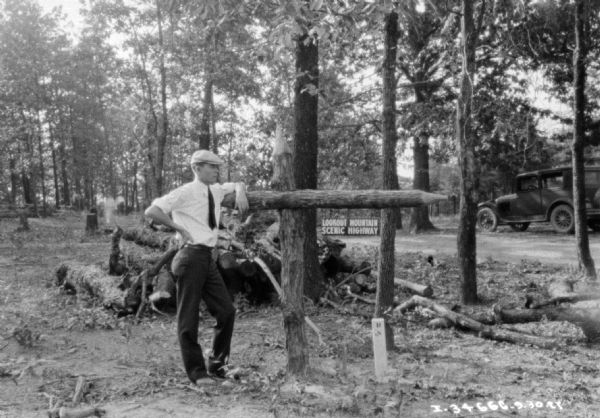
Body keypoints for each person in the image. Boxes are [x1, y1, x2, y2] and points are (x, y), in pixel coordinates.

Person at [144, 150, 249, 385]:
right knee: (188, 316)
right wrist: (177, 227)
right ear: (197, 168)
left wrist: (240, 189)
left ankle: (218, 364)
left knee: (226, 311)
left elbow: (235, 184)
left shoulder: (215, 190)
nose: (216, 171)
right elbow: (152, 210)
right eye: (211, 167)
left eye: (217, 167)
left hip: (207, 258)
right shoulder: (186, 192)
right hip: (189, 256)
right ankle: (196, 372)